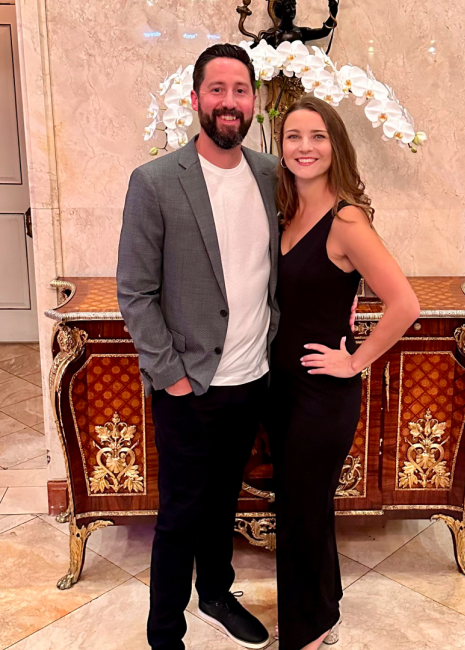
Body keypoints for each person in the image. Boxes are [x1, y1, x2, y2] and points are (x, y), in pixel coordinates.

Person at [117, 44, 278, 650]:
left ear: (254, 102)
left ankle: (215, 593)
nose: (229, 101)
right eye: (217, 90)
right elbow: (135, 292)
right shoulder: (156, 181)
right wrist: (172, 376)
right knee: (180, 513)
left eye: (240, 90)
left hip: (251, 377)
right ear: (196, 100)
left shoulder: (271, 175)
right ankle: (166, 635)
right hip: (188, 385)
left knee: (223, 502)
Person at [268, 96, 421, 650]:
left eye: (317, 137)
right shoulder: (285, 212)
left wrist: (355, 361)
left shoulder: (346, 218)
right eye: (293, 137)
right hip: (280, 389)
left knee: (302, 510)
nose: (304, 147)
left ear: (335, 146)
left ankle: (304, 633)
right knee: (303, 506)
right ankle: (322, 611)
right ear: (280, 147)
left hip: (322, 393)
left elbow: (404, 304)